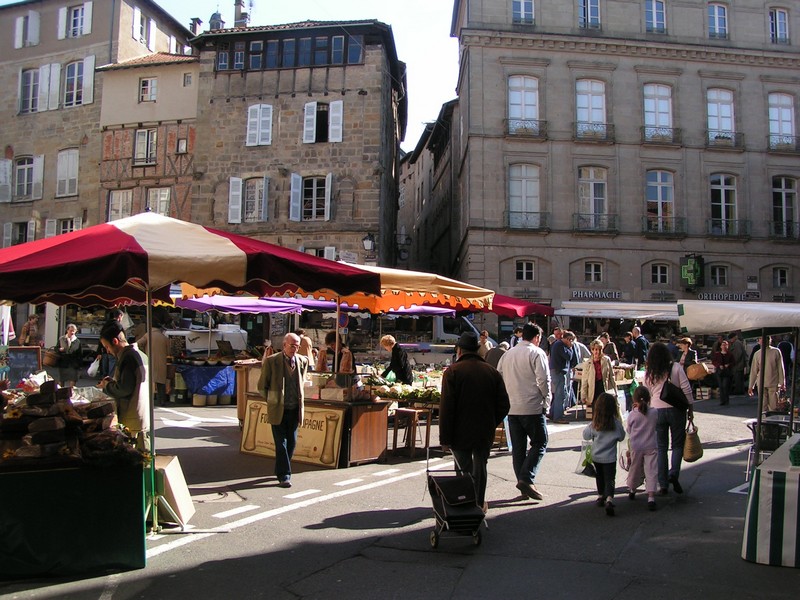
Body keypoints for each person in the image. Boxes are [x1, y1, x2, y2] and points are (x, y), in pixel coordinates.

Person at [439, 331, 510, 513]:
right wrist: (491, 421)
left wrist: (444, 438)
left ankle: (464, 504)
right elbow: (504, 404)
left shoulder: (453, 372)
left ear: (459, 350)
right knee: (480, 468)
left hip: (459, 431)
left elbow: (447, 408)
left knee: (463, 469)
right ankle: (478, 502)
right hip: (483, 429)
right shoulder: (491, 371)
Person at [497, 323, 551, 501]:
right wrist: (546, 399)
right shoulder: (536, 353)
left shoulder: (508, 354)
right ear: (537, 337)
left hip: (512, 407)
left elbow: (499, 377)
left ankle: (523, 483)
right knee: (540, 442)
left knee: (518, 448)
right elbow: (543, 379)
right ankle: (526, 478)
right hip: (532, 406)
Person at [258, 333, 309, 488]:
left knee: (292, 442)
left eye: (297, 345)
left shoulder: (302, 361)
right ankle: (284, 475)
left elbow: (302, 382)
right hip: (278, 408)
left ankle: (280, 468)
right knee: (281, 443)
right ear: (284, 345)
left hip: (295, 408)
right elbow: (262, 386)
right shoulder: (272, 361)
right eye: (292, 345)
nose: (295, 348)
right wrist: (272, 400)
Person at [644, 342, 694, 496]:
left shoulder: (650, 372)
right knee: (677, 444)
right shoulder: (676, 367)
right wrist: (690, 408)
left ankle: (663, 483)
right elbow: (686, 389)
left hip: (656, 410)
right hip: (676, 409)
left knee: (661, 447)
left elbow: (647, 392)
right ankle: (674, 473)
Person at [97, 321, 150, 449]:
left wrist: (107, 386)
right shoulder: (139, 354)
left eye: (107, 347)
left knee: (136, 457)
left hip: (132, 418)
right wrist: (112, 382)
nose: (108, 351)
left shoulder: (128, 357)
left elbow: (124, 388)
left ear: (115, 341)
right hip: (140, 415)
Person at [582, 392, 626, 516]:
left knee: (599, 477)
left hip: (596, 456)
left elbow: (586, 435)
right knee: (610, 479)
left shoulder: (595, 424)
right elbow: (622, 437)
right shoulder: (616, 424)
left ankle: (601, 495)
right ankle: (609, 499)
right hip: (610, 458)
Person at [626, 386, 659, 511]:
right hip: (650, 444)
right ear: (649, 398)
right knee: (651, 470)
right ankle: (651, 496)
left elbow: (628, 430)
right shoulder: (654, 412)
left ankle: (632, 488)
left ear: (634, 400)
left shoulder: (632, 415)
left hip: (636, 446)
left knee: (635, 468)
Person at [136, 311, 171, 407]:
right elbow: (169, 352)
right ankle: (161, 400)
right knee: (161, 383)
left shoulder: (147, 335)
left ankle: (149, 400)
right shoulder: (164, 338)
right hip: (162, 363)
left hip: (149, 362)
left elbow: (138, 344)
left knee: (149, 382)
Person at [748, 335, 786, 412]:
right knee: (763, 405)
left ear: (770, 340)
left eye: (766, 339)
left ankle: (773, 421)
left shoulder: (776, 351)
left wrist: (782, 382)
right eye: (761, 339)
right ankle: (764, 421)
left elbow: (780, 368)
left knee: (774, 405)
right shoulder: (757, 354)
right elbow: (754, 371)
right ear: (759, 341)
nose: (763, 341)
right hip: (761, 383)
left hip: (773, 383)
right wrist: (751, 385)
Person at [548, 329, 577, 424]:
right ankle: (558, 416)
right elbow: (569, 356)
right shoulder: (560, 345)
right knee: (560, 395)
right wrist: (571, 348)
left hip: (557, 371)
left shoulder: (557, 344)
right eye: (571, 340)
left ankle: (553, 413)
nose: (572, 342)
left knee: (558, 394)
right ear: (568, 339)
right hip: (558, 372)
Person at [580, 339, 617, 412]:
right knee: (596, 411)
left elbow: (611, 376)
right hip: (593, 389)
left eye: (600, 349)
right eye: (596, 350)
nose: (598, 352)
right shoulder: (587, 363)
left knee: (606, 410)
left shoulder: (606, 360)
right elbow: (584, 380)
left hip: (604, 388)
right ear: (592, 350)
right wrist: (583, 396)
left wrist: (615, 391)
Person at [95, 309, 124, 378]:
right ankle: (109, 381)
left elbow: (101, 338)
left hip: (104, 350)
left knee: (105, 369)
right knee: (112, 369)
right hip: (113, 350)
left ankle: (104, 381)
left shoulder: (106, 325)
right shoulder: (118, 326)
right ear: (120, 316)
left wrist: (99, 351)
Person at [57, 323, 82, 388]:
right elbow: (56, 349)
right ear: (67, 330)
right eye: (71, 330)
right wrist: (59, 350)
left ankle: (71, 394)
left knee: (73, 380)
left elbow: (80, 354)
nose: (72, 332)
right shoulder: (62, 339)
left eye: (74, 331)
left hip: (73, 364)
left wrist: (79, 365)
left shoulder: (77, 341)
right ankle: (60, 394)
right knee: (61, 380)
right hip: (63, 362)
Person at [711, 339, 735, 406]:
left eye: (725, 345)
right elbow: (714, 361)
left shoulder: (730, 354)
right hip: (719, 372)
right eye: (723, 345)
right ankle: (722, 401)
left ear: (727, 346)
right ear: (721, 346)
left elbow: (733, 362)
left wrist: (728, 365)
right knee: (721, 386)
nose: (724, 346)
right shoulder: (717, 354)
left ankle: (726, 400)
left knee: (725, 386)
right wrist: (719, 365)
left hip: (727, 372)